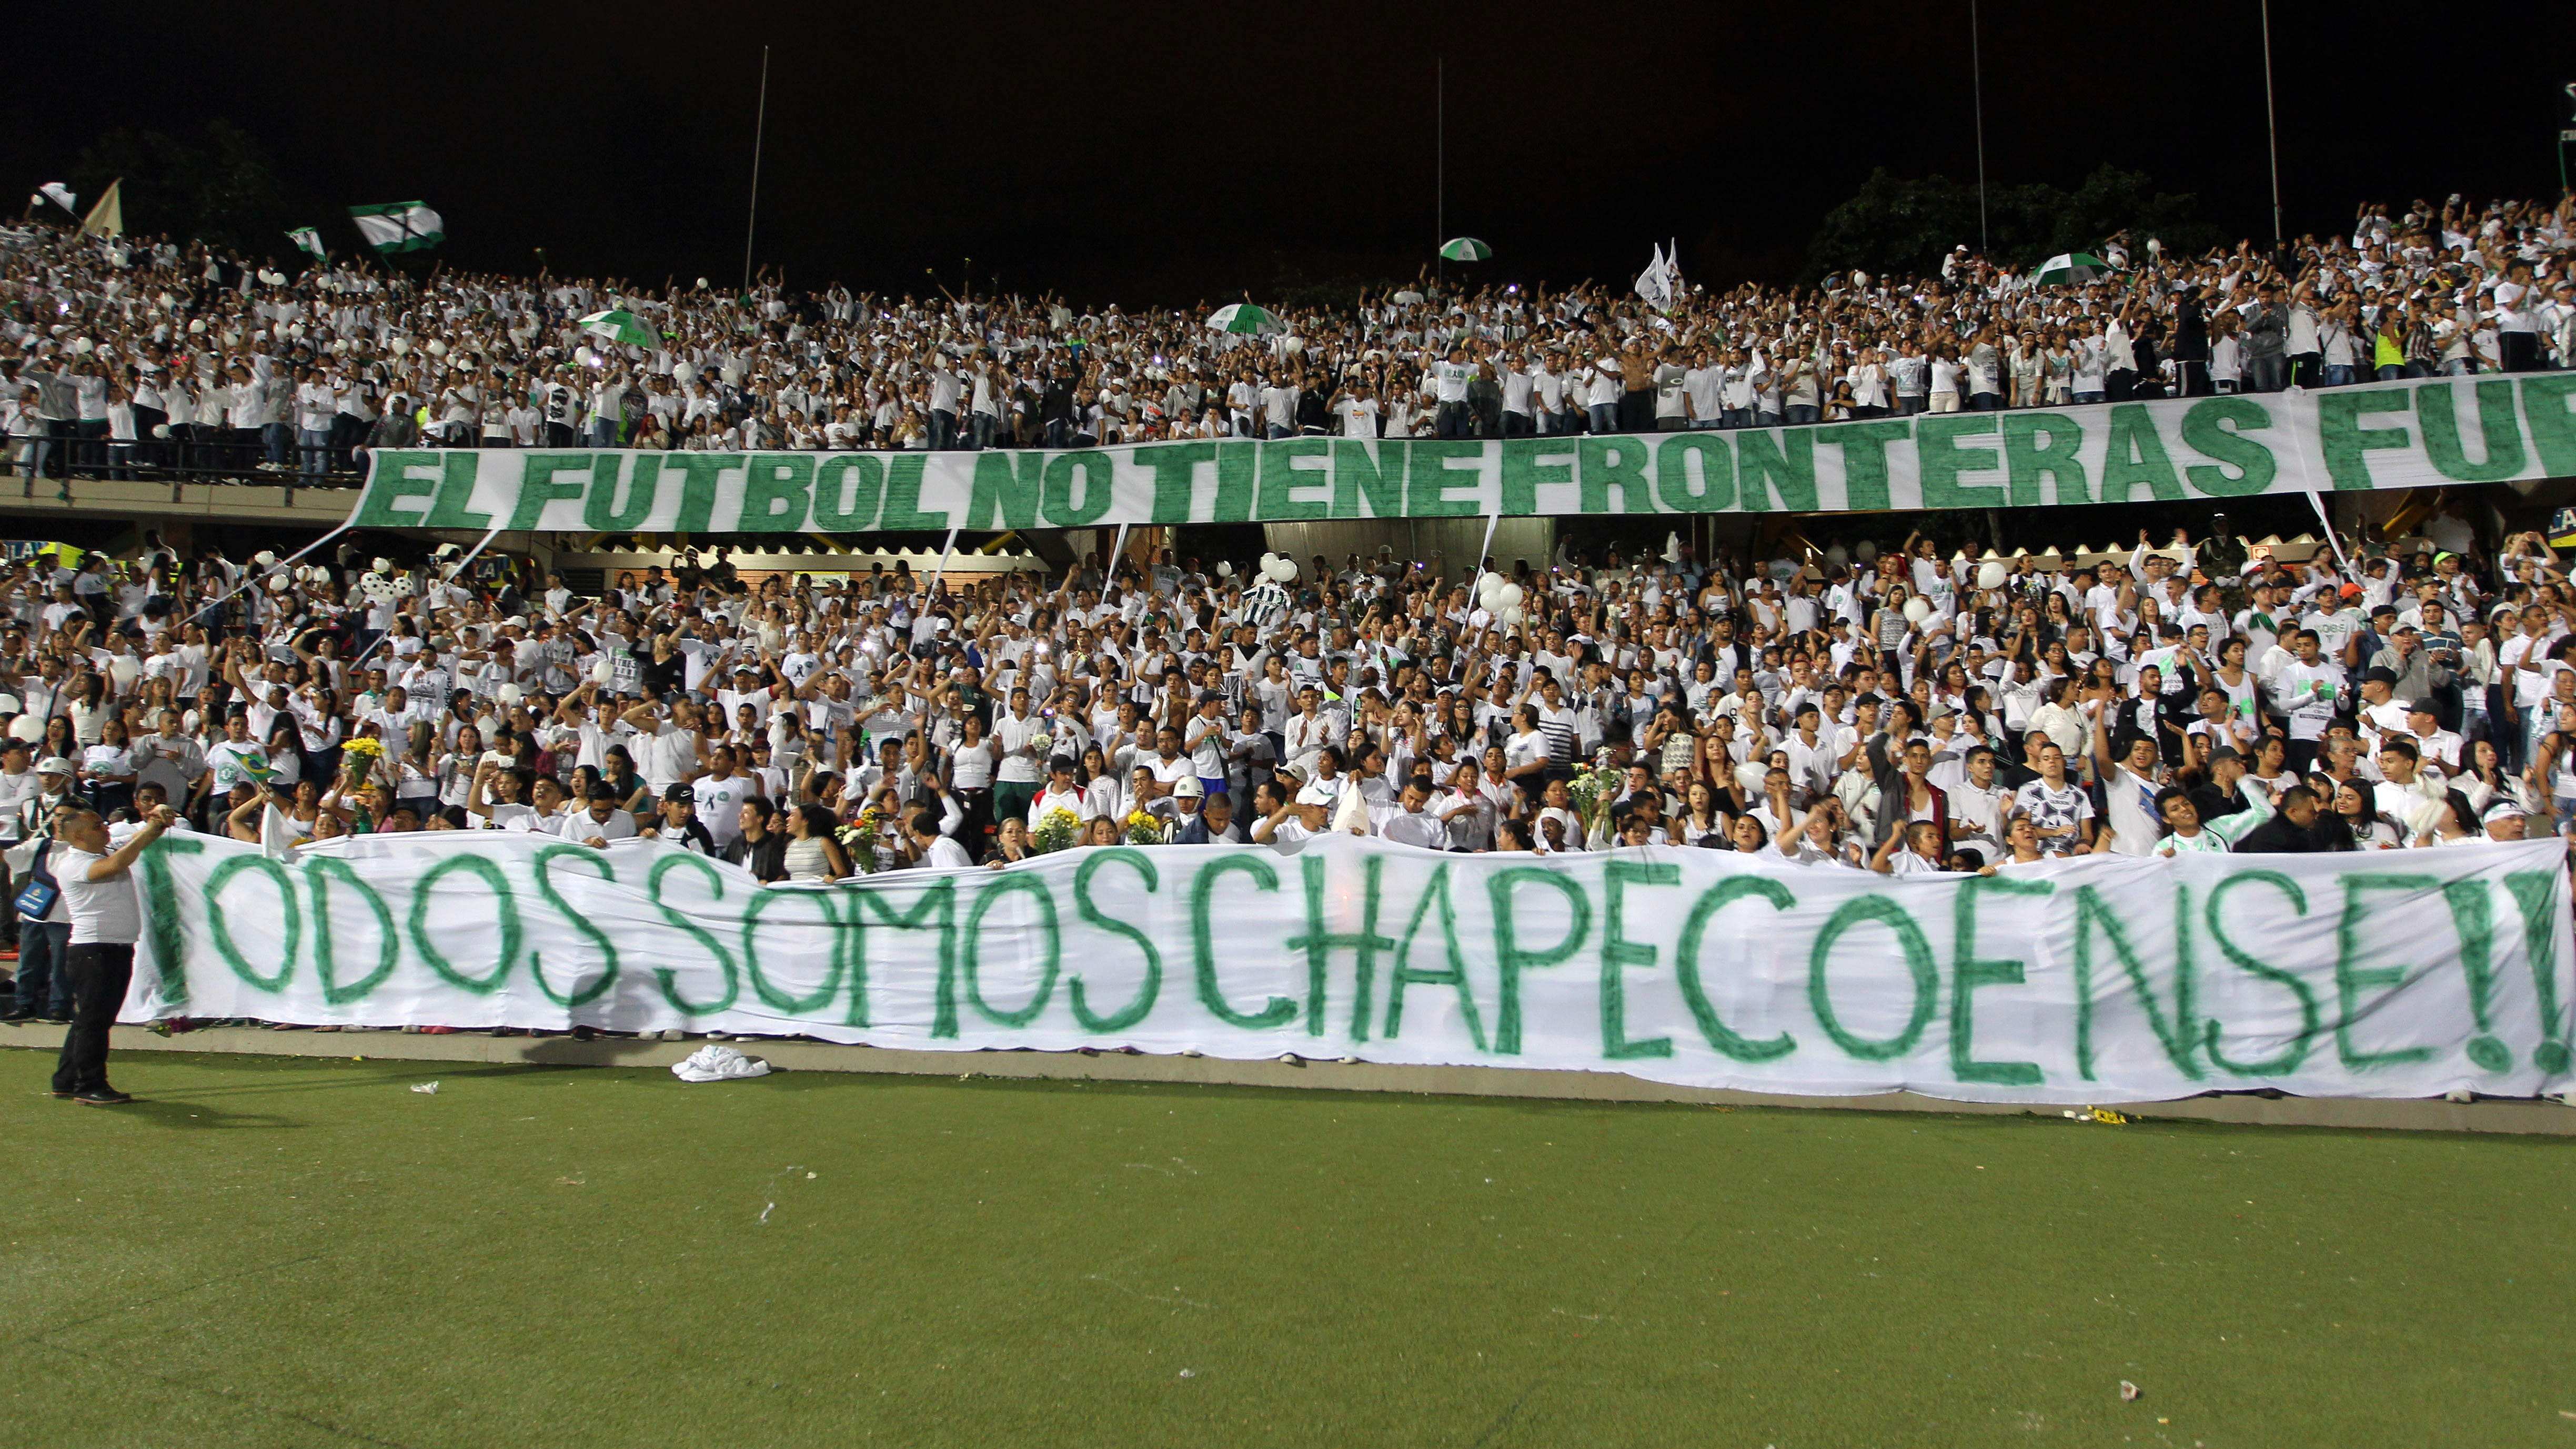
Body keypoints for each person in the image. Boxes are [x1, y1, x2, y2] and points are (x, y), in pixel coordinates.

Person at [48, 802, 177, 1105]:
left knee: (90, 1020)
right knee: (95, 1022)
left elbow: (130, 847)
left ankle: (67, 1080)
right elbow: (117, 865)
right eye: (97, 826)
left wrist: (157, 820)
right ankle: (89, 1085)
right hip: (95, 950)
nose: (105, 828)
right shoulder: (72, 864)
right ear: (78, 836)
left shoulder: (99, 852)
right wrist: (150, 831)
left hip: (108, 949)